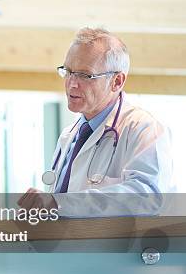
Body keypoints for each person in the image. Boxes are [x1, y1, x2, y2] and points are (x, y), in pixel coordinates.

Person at [18, 28, 173, 215]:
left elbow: (147, 197)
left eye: (85, 75)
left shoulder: (143, 128)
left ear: (117, 81)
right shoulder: (69, 135)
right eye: (68, 72)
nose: (72, 83)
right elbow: (64, 204)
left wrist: (59, 203)